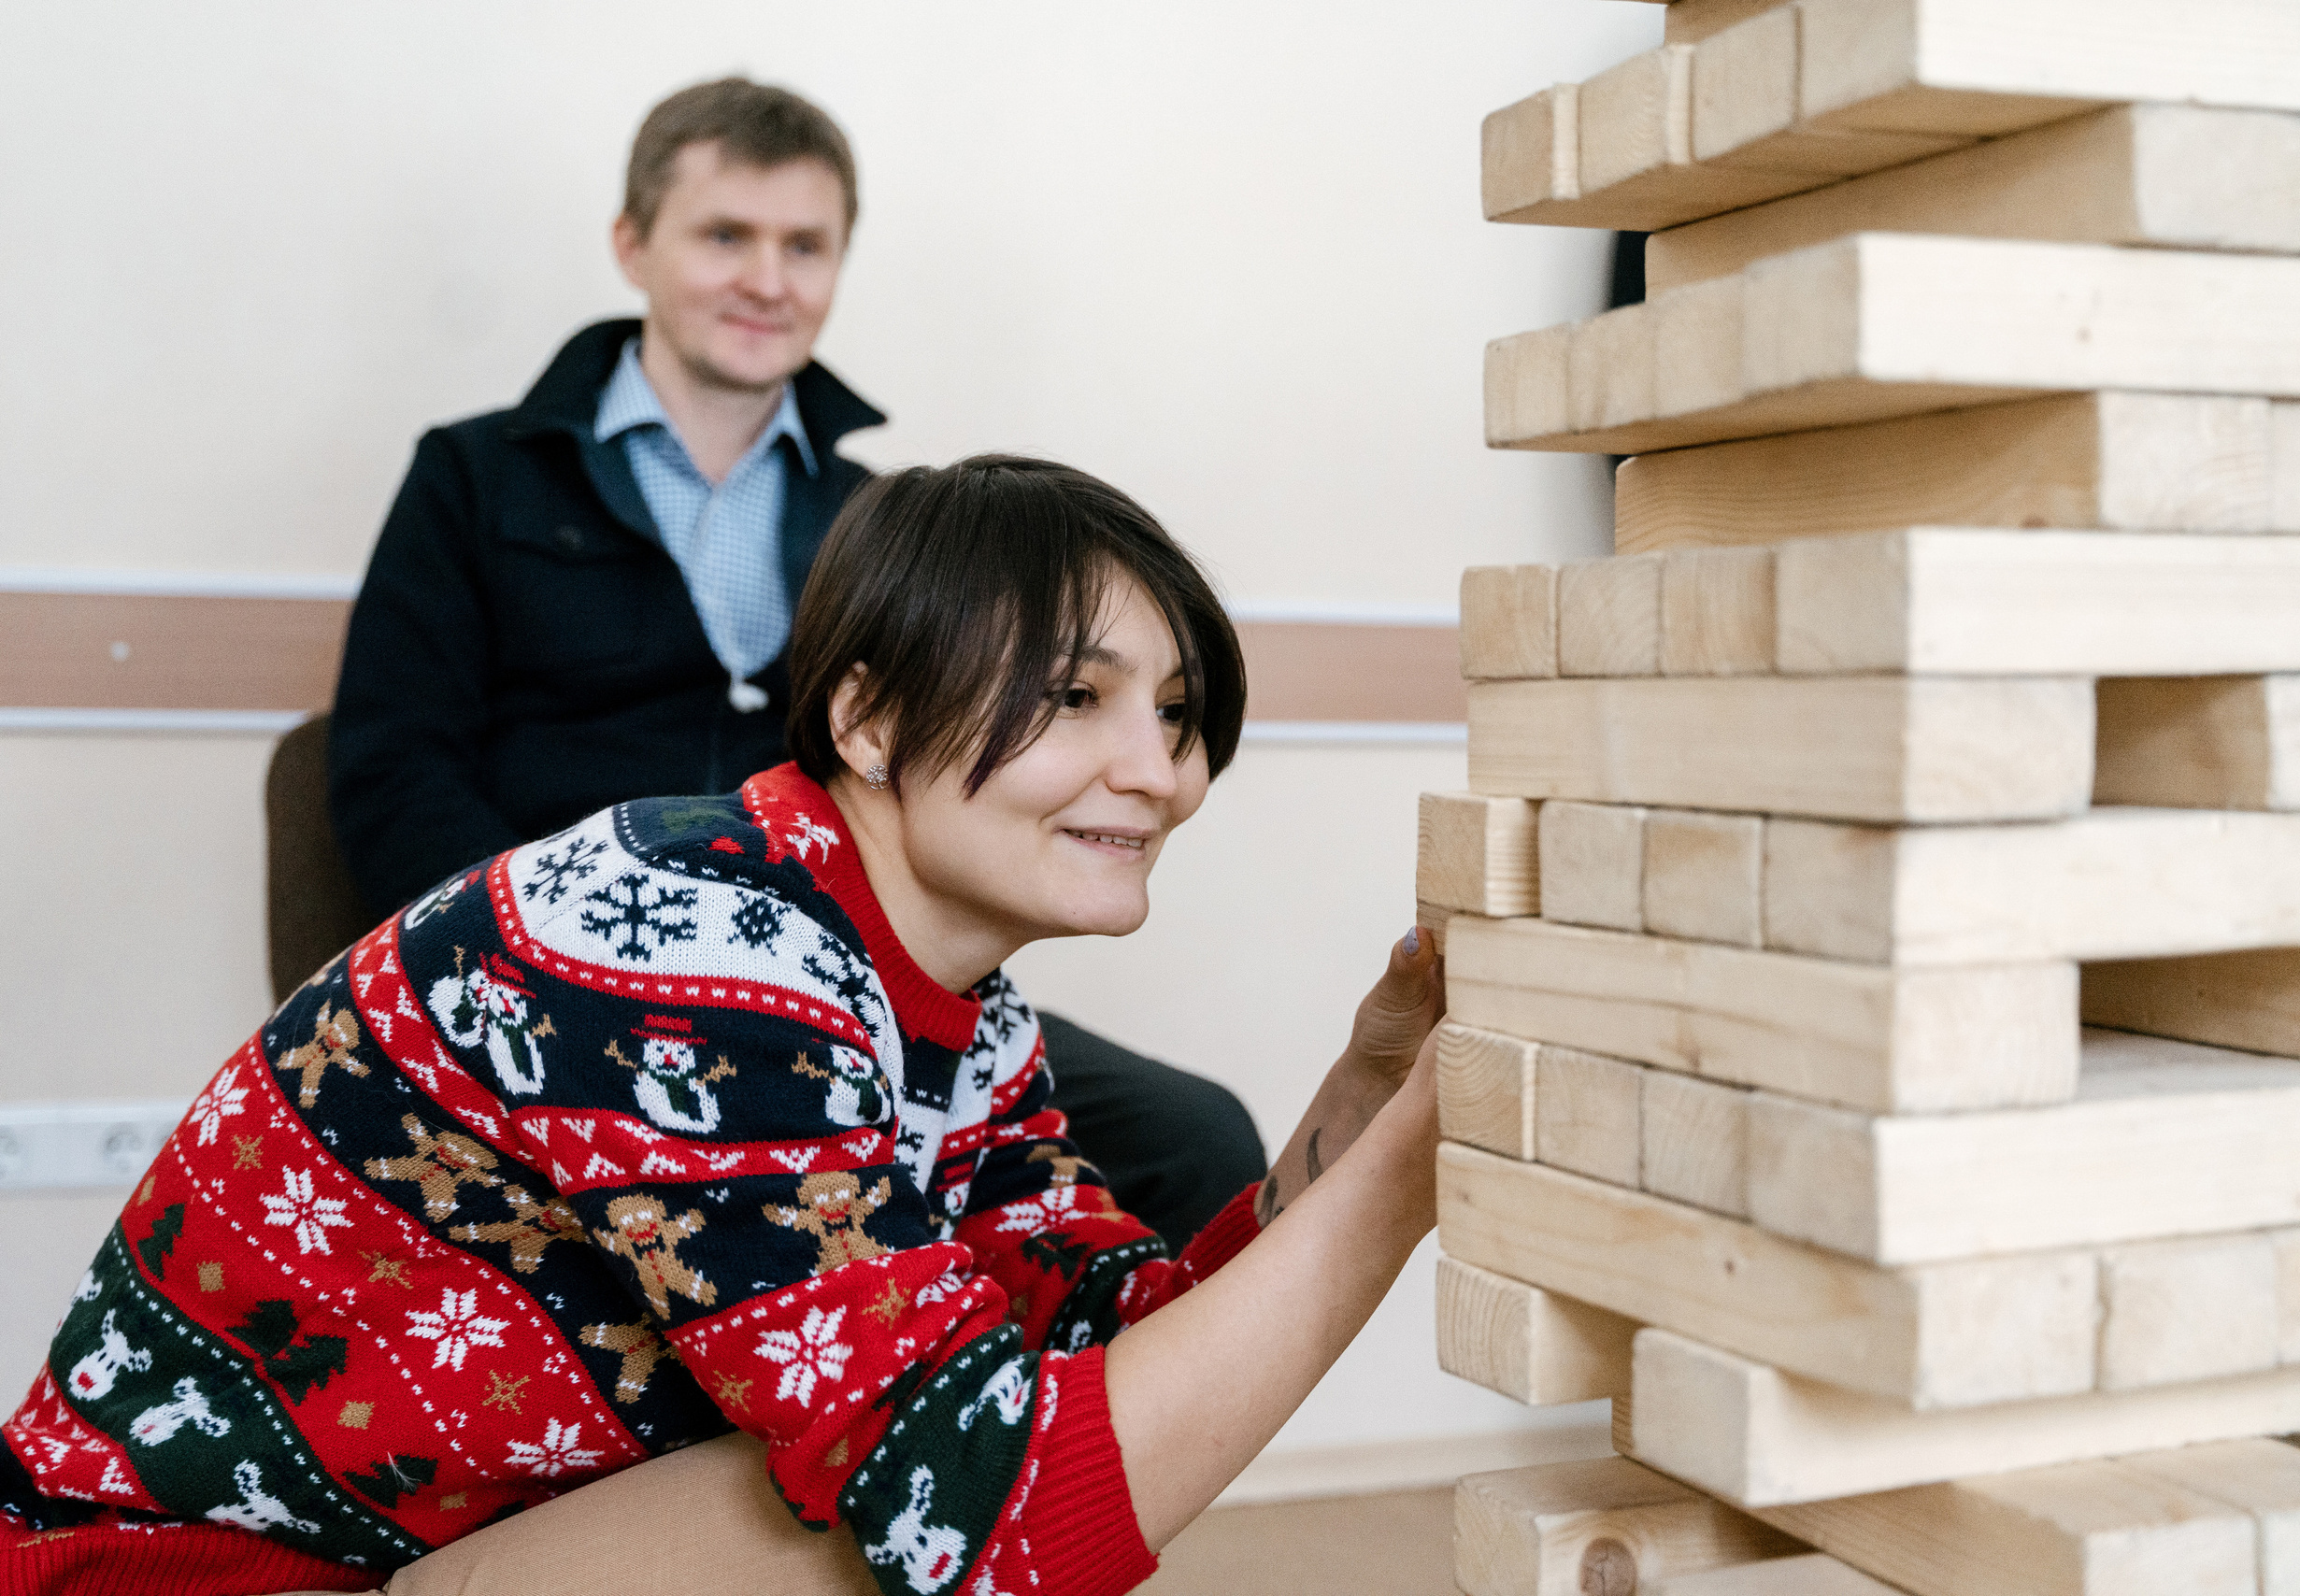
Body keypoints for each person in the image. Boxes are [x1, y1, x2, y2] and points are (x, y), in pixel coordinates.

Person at [1, 457, 1445, 1596]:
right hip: (188, 1578)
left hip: (419, 1542)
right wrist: (1409, 1176)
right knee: (918, 1510)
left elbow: (1117, 1338)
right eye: (1075, 697)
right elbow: (991, 1520)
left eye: (1181, 714)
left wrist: (1376, 1089)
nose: (1162, 774)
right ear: (870, 722)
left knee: (967, 1444)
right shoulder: (702, 951)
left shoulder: (947, 1002)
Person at [325, 77, 1264, 1251]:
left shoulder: (880, 520)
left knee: (1195, 1138)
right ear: (633, 246)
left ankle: (1037, 1432)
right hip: (556, 980)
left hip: (838, 984)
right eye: (726, 235)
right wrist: (559, 971)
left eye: (804, 245)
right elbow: (391, 771)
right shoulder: (476, 479)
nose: (768, 279)